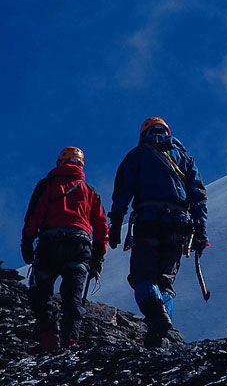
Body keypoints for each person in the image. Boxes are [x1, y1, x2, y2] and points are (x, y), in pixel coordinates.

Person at [108, 117, 208, 348]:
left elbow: (123, 190)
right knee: (165, 281)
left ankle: (157, 318)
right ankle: (162, 329)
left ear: (144, 133)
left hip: (149, 220)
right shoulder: (185, 158)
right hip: (180, 224)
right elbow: (198, 194)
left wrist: (115, 223)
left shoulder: (137, 155)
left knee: (143, 275)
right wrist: (201, 227)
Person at [21, 146, 109, 352]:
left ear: (60, 162)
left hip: (49, 245)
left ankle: (50, 342)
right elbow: (102, 226)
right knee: (72, 297)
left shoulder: (47, 185)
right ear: (81, 165)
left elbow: (34, 214)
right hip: (79, 246)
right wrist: (98, 257)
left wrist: (26, 242)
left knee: (40, 294)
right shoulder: (89, 191)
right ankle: (70, 344)